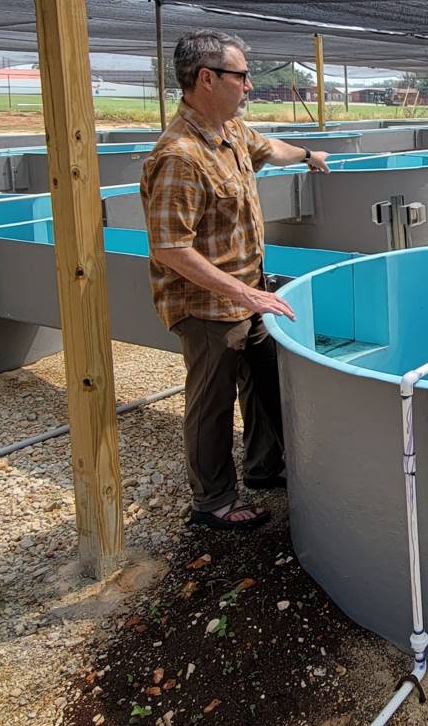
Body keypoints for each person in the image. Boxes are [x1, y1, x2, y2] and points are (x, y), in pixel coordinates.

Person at [141, 30, 329, 531]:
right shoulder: (181, 155)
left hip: (250, 296)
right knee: (212, 402)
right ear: (207, 78)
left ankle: (266, 467)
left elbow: (271, 147)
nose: (249, 85)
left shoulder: (231, 133)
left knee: (269, 381)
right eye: (242, 75)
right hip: (207, 306)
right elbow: (170, 248)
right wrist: (243, 292)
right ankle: (213, 501)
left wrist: (310, 156)